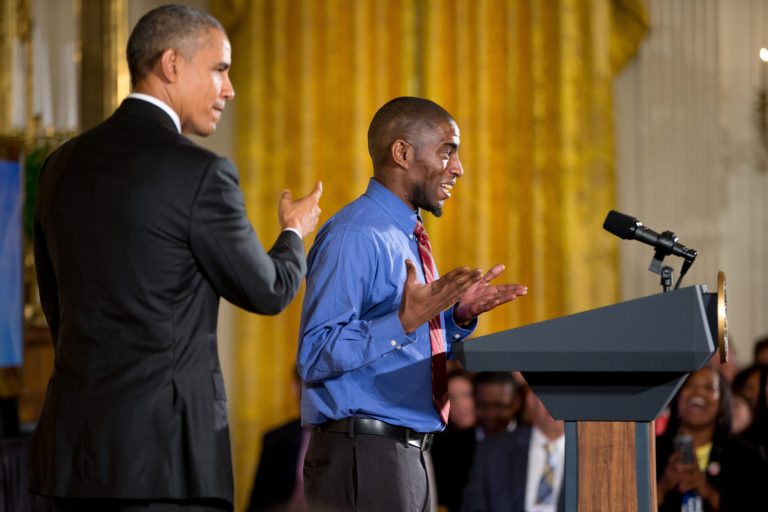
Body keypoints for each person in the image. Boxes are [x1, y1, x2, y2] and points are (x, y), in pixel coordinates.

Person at [30, 5, 322, 511]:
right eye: (220, 69)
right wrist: (293, 232)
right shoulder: (201, 173)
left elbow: (57, 309)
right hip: (166, 463)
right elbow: (270, 290)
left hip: (72, 457)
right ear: (171, 65)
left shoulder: (60, 166)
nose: (229, 89)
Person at [297, 96, 528, 511]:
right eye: (448, 151)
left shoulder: (405, 232)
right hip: (365, 454)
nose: (458, 168)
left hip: (411, 451)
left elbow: (405, 333)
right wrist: (402, 321)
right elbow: (314, 355)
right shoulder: (355, 233)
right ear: (402, 153)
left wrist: (455, 317)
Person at [656, 367, 768, 512]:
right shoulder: (650, 452)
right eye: (690, 385)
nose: (698, 392)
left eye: (709, 388)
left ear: (722, 403)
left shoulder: (747, 457)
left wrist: (707, 491)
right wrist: (662, 486)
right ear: (676, 397)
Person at [461, 391, 566, 512]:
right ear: (531, 399)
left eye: (564, 395)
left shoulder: (590, 458)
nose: (555, 404)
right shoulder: (492, 450)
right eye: (548, 394)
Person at [432, 371, 522, 511]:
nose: (490, 413)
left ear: (515, 402)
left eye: (498, 405)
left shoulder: (532, 440)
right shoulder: (450, 446)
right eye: (483, 405)